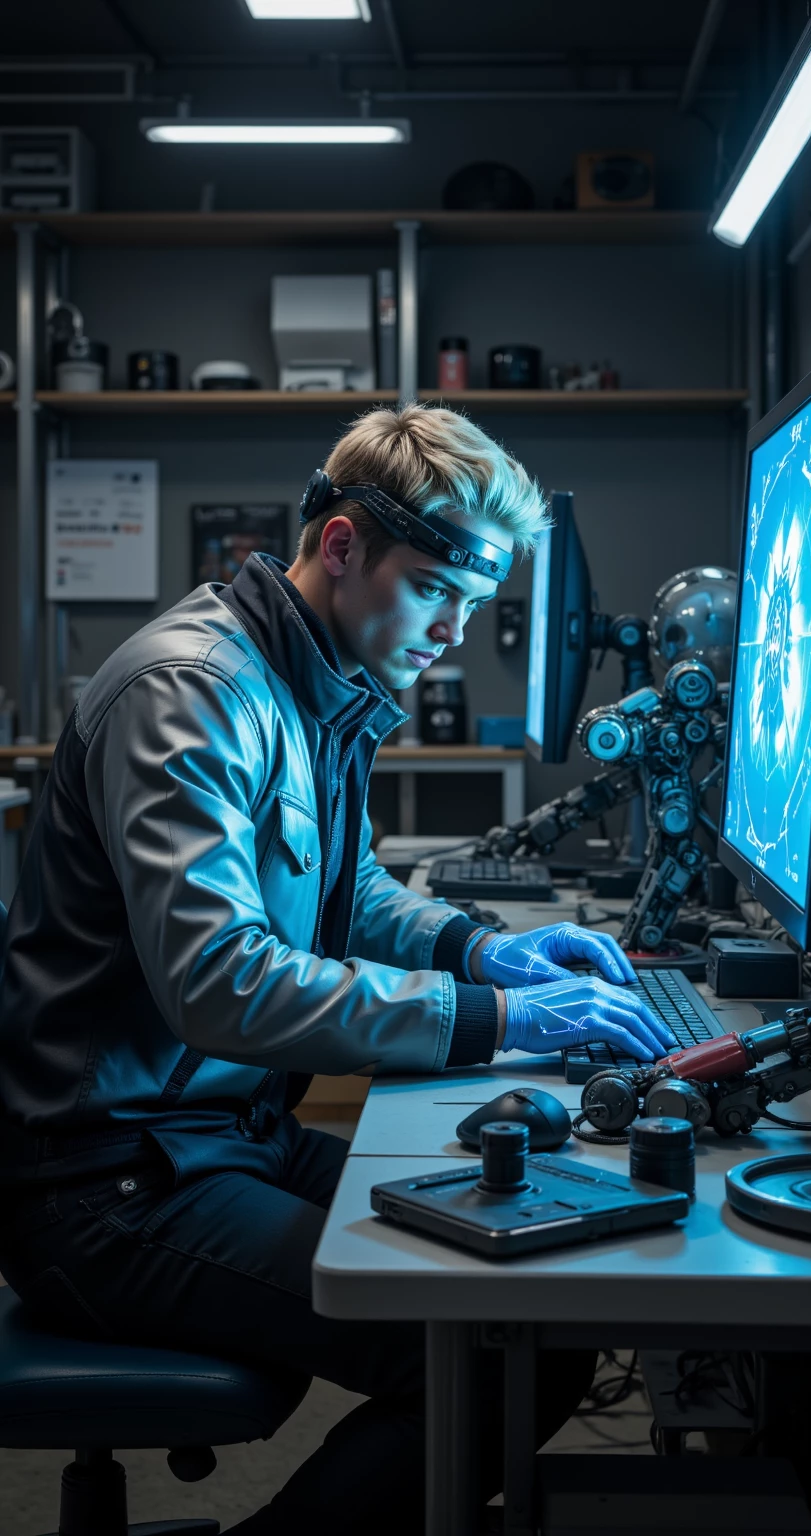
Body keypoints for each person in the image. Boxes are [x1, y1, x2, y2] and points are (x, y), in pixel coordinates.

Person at [0, 404, 675, 1532]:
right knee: (496, 1358)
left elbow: (345, 893)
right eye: (436, 589)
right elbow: (217, 979)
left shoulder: (312, 683)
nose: (455, 630)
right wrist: (499, 1016)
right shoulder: (194, 692)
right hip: (106, 1186)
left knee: (535, 1318)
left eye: (473, 603)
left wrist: (482, 948)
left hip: (221, 1139)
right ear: (344, 544)